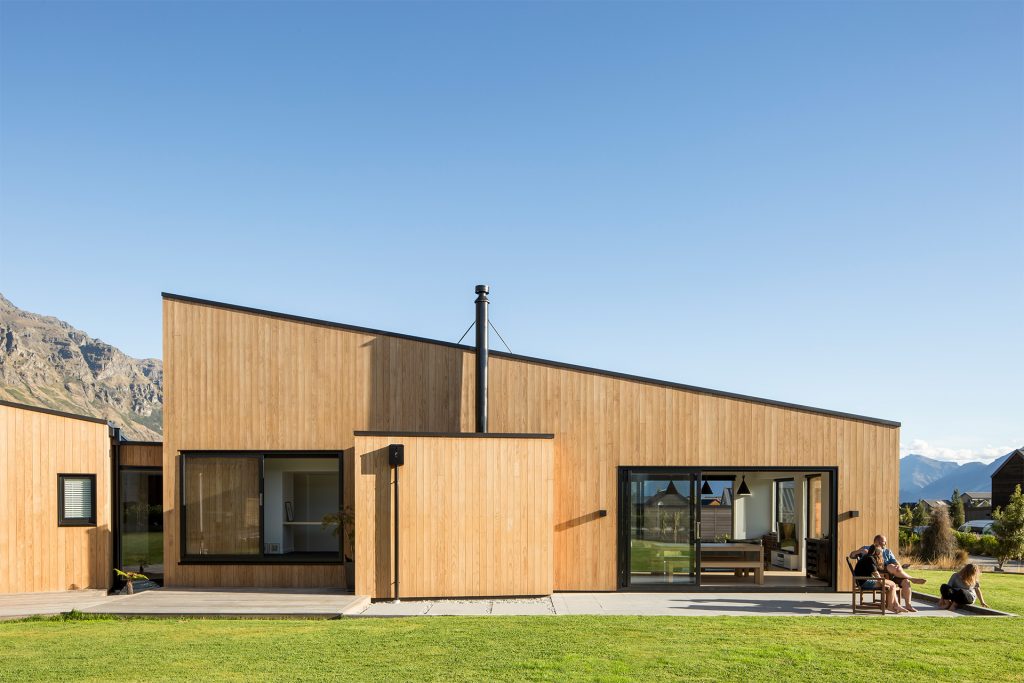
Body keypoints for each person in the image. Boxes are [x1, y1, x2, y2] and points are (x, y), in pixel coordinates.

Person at [850, 534, 924, 612]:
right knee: (891, 582)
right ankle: (892, 606)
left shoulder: (885, 552)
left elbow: (895, 564)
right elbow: (875, 573)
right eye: (883, 542)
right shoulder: (869, 556)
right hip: (868, 580)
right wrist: (882, 582)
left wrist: (896, 570)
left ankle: (904, 605)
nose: (885, 544)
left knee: (904, 581)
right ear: (877, 543)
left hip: (890, 575)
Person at [853, 545, 907, 613]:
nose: (882, 555)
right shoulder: (870, 559)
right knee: (892, 585)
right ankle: (891, 606)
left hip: (864, 580)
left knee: (891, 584)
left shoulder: (867, 557)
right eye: (881, 553)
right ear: (877, 553)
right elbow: (876, 574)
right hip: (864, 582)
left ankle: (896, 605)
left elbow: (875, 573)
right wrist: (883, 583)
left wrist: (884, 583)